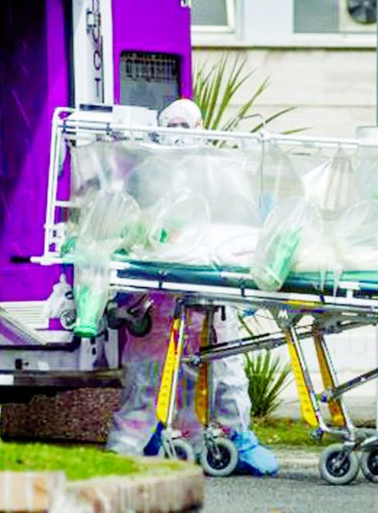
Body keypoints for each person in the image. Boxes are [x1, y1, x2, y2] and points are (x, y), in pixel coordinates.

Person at [107, 98, 279, 476]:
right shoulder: (145, 173)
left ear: (201, 127)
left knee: (224, 369)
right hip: (160, 290)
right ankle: (134, 441)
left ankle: (228, 438)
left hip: (210, 285)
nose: (180, 136)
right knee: (149, 373)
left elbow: (240, 219)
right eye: (173, 126)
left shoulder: (218, 170)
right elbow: (129, 226)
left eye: (186, 127)